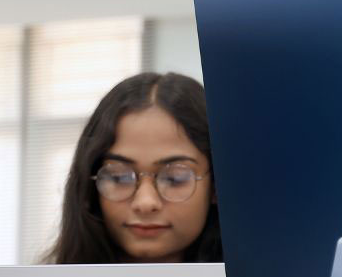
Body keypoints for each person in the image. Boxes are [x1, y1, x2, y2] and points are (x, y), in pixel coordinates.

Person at [44, 71, 222, 264]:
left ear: (215, 186)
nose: (145, 203)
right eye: (119, 178)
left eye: (174, 178)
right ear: (90, 185)